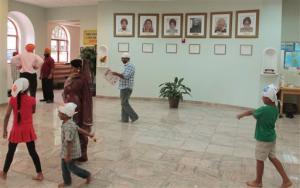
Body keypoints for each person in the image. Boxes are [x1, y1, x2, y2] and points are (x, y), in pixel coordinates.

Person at [237, 84, 292, 188]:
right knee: (273, 158)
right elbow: (257, 114)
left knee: (259, 160)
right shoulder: (275, 108)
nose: (262, 98)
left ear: (269, 99)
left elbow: (252, 112)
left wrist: (241, 115)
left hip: (263, 140)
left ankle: (258, 181)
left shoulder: (264, 109)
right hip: (271, 138)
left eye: (264, 96)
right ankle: (286, 180)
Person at [0, 78, 43, 181]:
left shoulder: (13, 99)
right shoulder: (32, 99)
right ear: (27, 88)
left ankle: (4, 173)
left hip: (16, 130)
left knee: (11, 152)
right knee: (32, 152)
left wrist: (4, 130)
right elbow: (33, 111)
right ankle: (40, 174)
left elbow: (6, 116)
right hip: (28, 129)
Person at [57, 102, 95, 188]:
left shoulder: (68, 127)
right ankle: (67, 182)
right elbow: (79, 129)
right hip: (67, 151)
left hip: (70, 152)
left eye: (60, 113)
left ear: (65, 115)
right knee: (64, 167)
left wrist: (68, 155)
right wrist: (89, 134)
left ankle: (87, 175)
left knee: (71, 168)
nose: (58, 114)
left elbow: (69, 141)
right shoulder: (70, 122)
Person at [62, 59, 93, 162]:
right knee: (70, 128)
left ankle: (82, 154)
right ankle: (73, 152)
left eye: (73, 67)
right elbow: (65, 91)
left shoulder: (83, 80)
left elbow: (87, 97)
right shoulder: (71, 78)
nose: (71, 69)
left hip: (78, 107)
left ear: (78, 68)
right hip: (69, 106)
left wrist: (85, 111)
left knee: (79, 128)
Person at [112, 53, 139, 123]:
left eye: (124, 58)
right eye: (122, 58)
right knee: (124, 102)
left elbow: (126, 76)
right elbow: (123, 75)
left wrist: (116, 73)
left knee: (124, 103)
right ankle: (124, 119)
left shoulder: (130, 66)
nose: (122, 59)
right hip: (123, 87)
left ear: (128, 59)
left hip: (126, 87)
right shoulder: (125, 66)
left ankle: (134, 116)